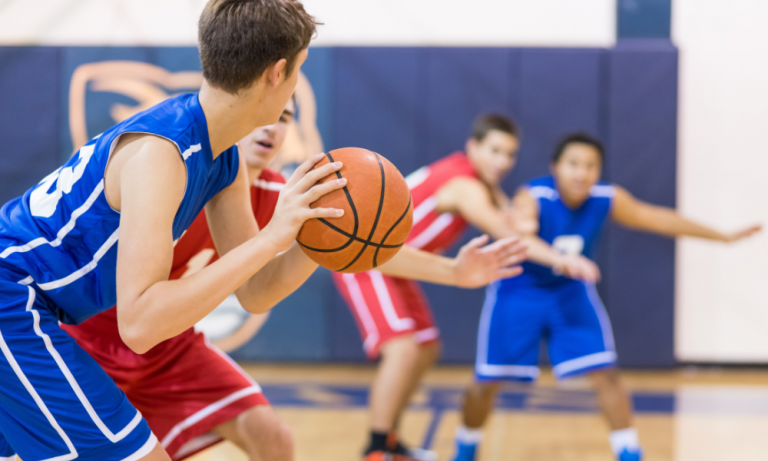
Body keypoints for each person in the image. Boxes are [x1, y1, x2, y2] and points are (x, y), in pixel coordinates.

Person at [60, 97, 526, 461]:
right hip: (91, 337)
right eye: (264, 115)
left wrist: (454, 271)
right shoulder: (177, 171)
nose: (272, 126)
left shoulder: (282, 196)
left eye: (285, 117)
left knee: (274, 439)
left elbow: (367, 249)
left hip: (167, 344)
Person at [0, 1, 330, 459]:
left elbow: (255, 290)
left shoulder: (223, 159)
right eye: (299, 70)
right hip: (12, 297)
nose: (295, 84)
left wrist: (322, 239)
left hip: (35, 304)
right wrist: (274, 236)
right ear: (277, 73)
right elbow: (139, 323)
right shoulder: (162, 154)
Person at [451, 133, 762, 461]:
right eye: (573, 164)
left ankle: (629, 453)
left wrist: (722, 236)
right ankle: (466, 447)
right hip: (518, 292)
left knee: (607, 374)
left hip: (570, 293)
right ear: (555, 167)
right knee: (486, 382)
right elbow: (522, 231)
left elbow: (657, 218)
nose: (581, 173)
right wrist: (528, 226)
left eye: (590, 166)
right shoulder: (533, 194)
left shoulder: (605, 198)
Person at [333, 114, 564, 461]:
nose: (502, 161)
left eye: (510, 154)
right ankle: (376, 448)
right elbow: (509, 232)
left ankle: (391, 439)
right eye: (495, 151)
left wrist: (526, 209)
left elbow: (513, 214)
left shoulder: (481, 182)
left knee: (426, 349)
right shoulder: (463, 185)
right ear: (473, 148)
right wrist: (562, 259)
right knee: (403, 350)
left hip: (401, 266)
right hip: (367, 258)